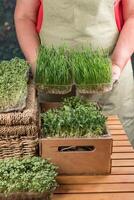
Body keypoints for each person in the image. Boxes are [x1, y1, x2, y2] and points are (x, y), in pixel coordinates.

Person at [14, 0, 134, 145]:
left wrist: (116, 63)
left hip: (111, 79)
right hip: (52, 83)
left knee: (116, 155)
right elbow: (24, 16)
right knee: (55, 153)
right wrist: (38, 65)